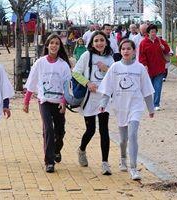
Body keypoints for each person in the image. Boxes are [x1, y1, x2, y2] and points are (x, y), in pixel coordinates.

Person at [98, 39, 155, 180]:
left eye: (129, 48)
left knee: (133, 135)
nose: (126, 51)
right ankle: (123, 157)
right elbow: (107, 87)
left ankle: (134, 168)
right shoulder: (115, 67)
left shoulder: (140, 68)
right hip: (120, 106)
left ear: (134, 51)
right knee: (123, 139)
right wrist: (103, 103)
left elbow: (146, 89)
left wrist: (150, 107)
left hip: (135, 105)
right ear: (120, 51)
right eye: (123, 49)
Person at [23, 34, 72, 173]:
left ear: (59, 46)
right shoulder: (40, 62)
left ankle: (56, 150)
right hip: (44, 101)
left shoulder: (63, 65)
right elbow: (32, 82)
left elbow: (67, 86)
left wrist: (64, 101)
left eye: (57, 43)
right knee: (48, 129)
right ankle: (49, 162)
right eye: (51, 43)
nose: (54, 45)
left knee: (60, 131)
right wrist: (26, 101)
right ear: (47, 45)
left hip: (59, 102)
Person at [73, 31, 115, 175]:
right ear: (91, 43)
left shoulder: (111, 58)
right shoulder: (86, 56)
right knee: (90, 130)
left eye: (101, 40)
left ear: (106, 42)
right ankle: (82, 149)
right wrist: (88, 83)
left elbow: (116, 76)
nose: (99, 43)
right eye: (96, 40)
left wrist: (106, 69)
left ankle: (105, 163)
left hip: (104, 99)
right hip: (90, 99)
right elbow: (76, 73)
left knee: (104, 130)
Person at [139, 24, 170, 111]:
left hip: (160, 68)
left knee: (158, 87)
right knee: (150, 87)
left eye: (155, 32)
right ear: (148, 33)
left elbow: (167, 50)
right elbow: (141, 56)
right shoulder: (143, 43)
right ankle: (148, 102)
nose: (153, 33)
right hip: (148, 69)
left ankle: (156, 104)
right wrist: (144, 65)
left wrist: (164, 48)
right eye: (152, 32)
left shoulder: (160, 41)